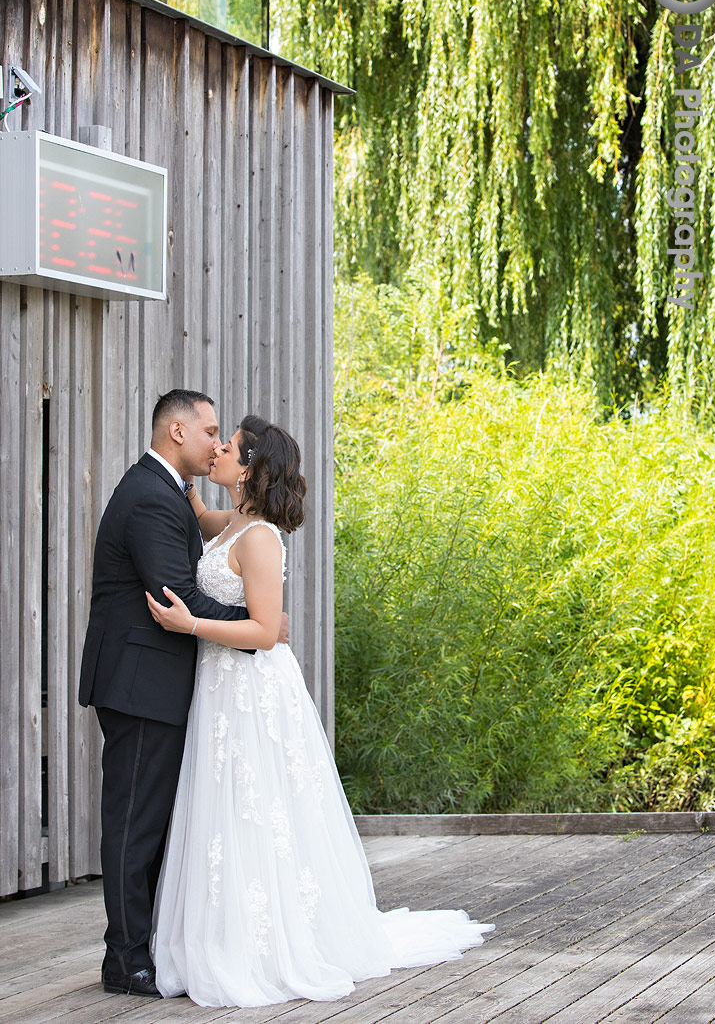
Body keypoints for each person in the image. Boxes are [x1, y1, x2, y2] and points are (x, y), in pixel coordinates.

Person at [146, 414, 494, 1007]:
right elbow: (203, 519)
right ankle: (227, 935)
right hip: (221, 691)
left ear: (249, 469)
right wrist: (179, 477)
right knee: (226, 805)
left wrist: (190, 623)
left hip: (251, 689)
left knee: (258, 807)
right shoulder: (234, 522)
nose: (218, 450)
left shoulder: (259, 539)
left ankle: (272, 945)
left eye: (226, 447)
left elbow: (264, 632)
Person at [78, 390, 288, 998]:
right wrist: (260, 627)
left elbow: (222, 539)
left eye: (225, 438)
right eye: (209, 431)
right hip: (141, 685)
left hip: (158, 684)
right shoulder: (148, 497)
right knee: (133, 822)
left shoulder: (167, 492)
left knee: (152, 823)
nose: (216, 443)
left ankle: (144, 948)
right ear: (176, 432)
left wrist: (258, 619)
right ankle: (125, 961)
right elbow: (179, 599)